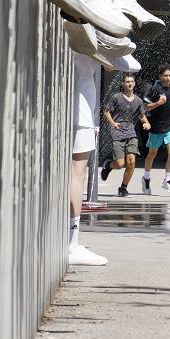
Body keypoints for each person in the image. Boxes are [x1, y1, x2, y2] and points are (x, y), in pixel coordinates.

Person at [68, 54, 107, 265]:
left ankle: (70, 241)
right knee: (77, 173)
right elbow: (121, 62)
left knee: (73, 173)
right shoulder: (90, 39)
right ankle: (71, 244)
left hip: (68, 105)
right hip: (81, 110)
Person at [100, 74, 150, 196]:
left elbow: (141, 115)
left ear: (134, 84)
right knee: (120, 164)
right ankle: (108, 165)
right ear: (123, 84)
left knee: (131, 162)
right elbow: (106, 111)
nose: (130, 83)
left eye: (132, 81)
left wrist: (146, 123)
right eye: (127, 81)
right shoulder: (116, 97)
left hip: (131, 133)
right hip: (117, 132)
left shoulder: (138, 100)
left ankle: (123, 188)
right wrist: (113, 123)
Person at [142, 64, 170, 194]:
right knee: (152, 154)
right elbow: (145, 107)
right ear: (160, 76)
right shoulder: (154, 89)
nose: (168, 78)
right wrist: (158, 103)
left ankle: (167, 180)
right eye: (165, 75)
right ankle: (146, 178)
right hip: (156, 127)